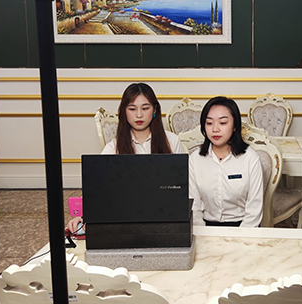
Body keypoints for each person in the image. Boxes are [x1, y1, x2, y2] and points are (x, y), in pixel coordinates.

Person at [66, 83, 185, 233]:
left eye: (145, 108)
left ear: (155, 110)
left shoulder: (172, 141)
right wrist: (84, 216)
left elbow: (183, 185)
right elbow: (98, 188)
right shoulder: (113, 147)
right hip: (125, 218)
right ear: (124, 111)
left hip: (166, 216)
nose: (139, 115)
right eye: (132, 109)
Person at [189, 96, 264, 227]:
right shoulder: (195, 159)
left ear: (235, 126)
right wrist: (201, 234)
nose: (215, 129)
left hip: (242, 227)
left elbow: (254, 209)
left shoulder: (250, 158)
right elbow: (194, 206)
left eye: (223, 123)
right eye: (209, 123)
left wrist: (241, 236)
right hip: (205, 227)